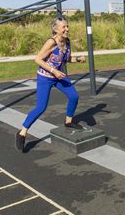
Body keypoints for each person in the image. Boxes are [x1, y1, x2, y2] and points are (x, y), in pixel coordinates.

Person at [15, 17, 86, 151]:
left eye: (67, 26)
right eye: (64, 27)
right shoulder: (51, 42)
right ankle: (22, 132)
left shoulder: (67, 42)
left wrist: (77, 59)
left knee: (74, 96)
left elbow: (65, 58)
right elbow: (38, 59)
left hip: (59, 76)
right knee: (41, 107)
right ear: (55, 29)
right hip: (45, 77)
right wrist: (54, 71)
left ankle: (68, 121)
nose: (67, 29)